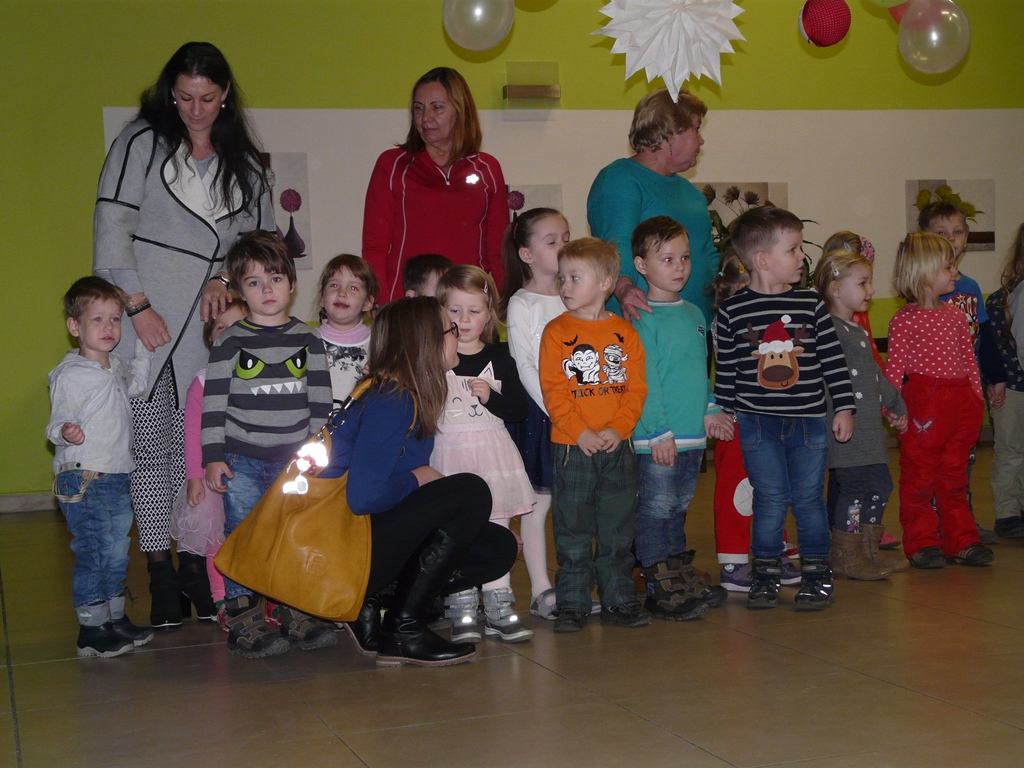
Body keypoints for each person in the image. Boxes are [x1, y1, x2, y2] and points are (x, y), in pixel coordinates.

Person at [93, 42, 275, 629]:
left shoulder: (246, 164)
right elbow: (111, 227)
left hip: (210, 327)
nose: (195, 110)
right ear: (170, 93)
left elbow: (261, 244)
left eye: (207, 98)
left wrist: (225, 278)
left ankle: (196, 564)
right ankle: (159, 573)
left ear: (225, 96)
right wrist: (135, 305)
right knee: (150, 453)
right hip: (143, 317)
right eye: (184, 97)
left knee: (198, 452)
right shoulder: (140, 143)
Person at [326, 297, 519, 667]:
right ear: (425, 343)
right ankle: (403, 628)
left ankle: (370, 603)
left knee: (496, 546)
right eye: (450, 328)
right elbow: (363, 498)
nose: (458, 333)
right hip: (344, 547)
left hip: (361, 539)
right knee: (470, 490)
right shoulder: (392, 400)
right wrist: (421, 477)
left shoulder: (408, 395)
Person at [202, 231, 336, 658]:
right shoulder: (229, 341)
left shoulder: (309, 340)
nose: (267, 290)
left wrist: (317, 454)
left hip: (294, 462)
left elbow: (320, 404)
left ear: (291, 284)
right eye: (254, 282)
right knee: (244, 534)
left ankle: (295, 610)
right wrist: (213, 457)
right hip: (240, 458)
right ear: (239, 291)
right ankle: (244, 617)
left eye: (275, 279)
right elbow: (213, 406)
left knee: (292, 532)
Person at [713, 207, 855, 611]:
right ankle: (765, 574)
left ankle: (816, 575)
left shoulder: (811, 304)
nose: (802, 258)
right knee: (769, 499)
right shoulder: (733, 311)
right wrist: (723, 410)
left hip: (808, 422)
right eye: (792, 250)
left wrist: (843, 407)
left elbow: (833, 361)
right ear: (762, 260)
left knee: (808, 499)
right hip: (757, 424)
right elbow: (727, 370)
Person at [539, 237, 649, 633]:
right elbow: (554, 391)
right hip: (573, 448)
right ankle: (572, 600)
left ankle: (619, 597)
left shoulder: (624, 333)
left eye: (574, 278)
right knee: (572, 528)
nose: (564, 286)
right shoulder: (556, 331)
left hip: (619, 447)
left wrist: (619, 428)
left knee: (618, 527)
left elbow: (636, 389)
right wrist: (580, 431)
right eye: (562, 278)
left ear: (605, 283)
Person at [631, 217, 734, 620]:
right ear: (641, 266)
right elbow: (644, 380)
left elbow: (697, 372)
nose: (680, 267)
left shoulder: (694, 313)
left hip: (691, 437)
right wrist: (658, 432)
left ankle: (677, 575)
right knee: (656, 511)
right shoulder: (642, 316)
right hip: (659, 437)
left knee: (677, 510)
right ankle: (659, 584)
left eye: (685, 257)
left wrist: (710, 409)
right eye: (667, 259)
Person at [47, 277, 154, 657]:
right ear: (75, 326)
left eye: (115, 319)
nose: (108, 327)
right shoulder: (71, 374)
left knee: (117, 550)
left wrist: (144, 345)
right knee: (94, 551)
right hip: (85, 476)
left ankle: (114, 617)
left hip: (117, 474)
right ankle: (92, 629)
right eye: (97, 319)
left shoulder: (116, 366)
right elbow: (55, 423)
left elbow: (137, 385)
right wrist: (66, 431)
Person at [431, 266, 535, 643]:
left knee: (496, 529)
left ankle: (498, 604)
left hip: (492, 456)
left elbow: (519, 410)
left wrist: (492, 398)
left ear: (489, 313)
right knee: (455, 531)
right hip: (449, 456)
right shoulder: (434, 358)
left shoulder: (500, 359)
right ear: (440, 311)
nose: (464, 319)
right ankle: (460, 604)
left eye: (473, 311)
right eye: (454, 310)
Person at [885, 232, 993, 568]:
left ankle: (961, 539)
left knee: (954, 477)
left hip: (961, 402)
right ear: (924, 272)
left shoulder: (956, 316)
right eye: (948, 267)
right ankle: (922, 542)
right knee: (919, 477)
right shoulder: (904, 320)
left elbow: (969, 361)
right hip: (924, 405)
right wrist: (892, 407)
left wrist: (976, 398)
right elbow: (894, 370)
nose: (955, 273)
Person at [363, 67, 509, 302]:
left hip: (466, 306)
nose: (425, 118)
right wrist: (381, 303)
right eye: (418, 108)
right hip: (408, 306)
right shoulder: (392, 165)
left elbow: (499, 250)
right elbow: (374, 246)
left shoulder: (488, 169)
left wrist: (510, 302)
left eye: (437, 107)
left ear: (461, 111)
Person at [813, 249, 908, 580]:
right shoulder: (828, 330)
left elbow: (873, 375)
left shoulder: (857, 330)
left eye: (870, 282)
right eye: (863, 283)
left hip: (869, 430)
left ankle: (867, 551)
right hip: (848, 430)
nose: (871, 290)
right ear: (836, 289)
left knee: (881, 484)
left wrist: (895, 403)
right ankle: (845, 554)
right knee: (854, 488)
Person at [710, 251, 802, 592]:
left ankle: (772, 551)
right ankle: (733, 562)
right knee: (737, 492)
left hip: (772, 421)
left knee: (773, 490)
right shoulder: (728, 320)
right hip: (739, 422)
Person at [587, 88, 718, 322]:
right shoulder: (620, 179)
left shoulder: (690, 192)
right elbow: (617, 244)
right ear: (670, 132)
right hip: (644, 323)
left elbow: (707, 252)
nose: (701, 140)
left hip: (696, 324)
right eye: (696, 129)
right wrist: (625, 289)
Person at [502, 208, 570, 621]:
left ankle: (576, 581)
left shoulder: (576, 295)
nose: (563, 246)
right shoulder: (522, 303)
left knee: (575, 503)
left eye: (566, 237)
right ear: (526, 254)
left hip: (579, 412)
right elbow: (525, 364)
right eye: (552, 241)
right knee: (538, 503)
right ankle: (541, 589)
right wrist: (557, 410)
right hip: (542, 413)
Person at [919, 201, 998, 544]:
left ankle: (961, 522)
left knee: (963, 461)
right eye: (941, 232)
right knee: (932, 462)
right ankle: (932, 524)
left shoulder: (971, 287)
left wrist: (995, 378)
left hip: (968, 389)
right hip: (933, 394)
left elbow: (986, 337)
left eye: (958, 232)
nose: (951, 238)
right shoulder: (919, 290)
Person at [172, 298, 249, 631]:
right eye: (220, 327)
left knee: (260, 538)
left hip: (255, 474)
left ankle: (270, 599)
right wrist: (194, 477)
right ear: (210, 339)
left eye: (238, 326)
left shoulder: (264, 379)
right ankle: (222, 600)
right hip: (215, 477)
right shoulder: (203, 383)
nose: (229, 333)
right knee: (219, 540)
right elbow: (193, 433)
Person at [987, 223, 1024, 539]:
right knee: (1011, 451)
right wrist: (996, 380)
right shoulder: (1004, 298)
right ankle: (1008, 513)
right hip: (1012, 387)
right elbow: (999, 346)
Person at [316, 254, 378, 407]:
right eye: (334, 285)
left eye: (353, 288)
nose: (342, 293)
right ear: (322, 298)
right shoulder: (308, 340)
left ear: (368, 303)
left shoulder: (378, 342)